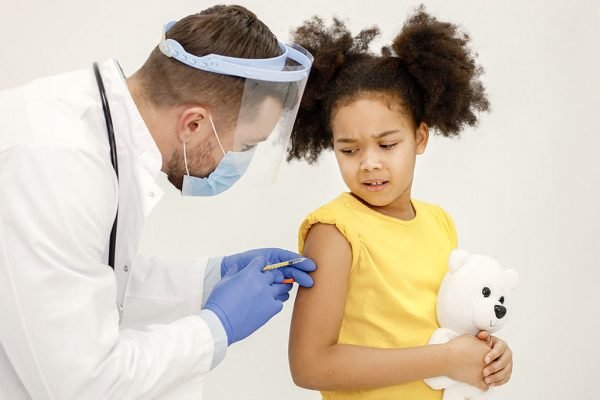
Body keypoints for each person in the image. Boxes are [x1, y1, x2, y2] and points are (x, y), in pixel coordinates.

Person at [0, 5, 316, 400]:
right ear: (194, 124)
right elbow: (84, 385)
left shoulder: (100, 136)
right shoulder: (56, 164)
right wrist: (216, 326)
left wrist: (207, 279)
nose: (239, 162)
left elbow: (80, 275)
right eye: (243, 146)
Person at [286, 7, 513, 399]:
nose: (369, 162)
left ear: (420, 138)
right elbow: (310, 365)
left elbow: (447, 328)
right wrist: (444, 359)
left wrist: (490, 355)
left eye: (387, 144)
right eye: (349, 149)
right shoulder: (335, 232)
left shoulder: (439, 222)